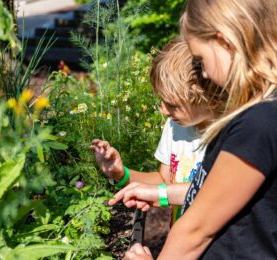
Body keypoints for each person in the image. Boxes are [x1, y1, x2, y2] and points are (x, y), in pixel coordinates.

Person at [109, 0, 277, 259]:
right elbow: (220, 192)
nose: (205, 75)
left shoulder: (261, 122)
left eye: (201, 59)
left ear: (225, 42)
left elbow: (196, 232)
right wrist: (160, 193)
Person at [90, 38, 225, 216]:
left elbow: (217, 195)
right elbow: (164, 182)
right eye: (162, 100)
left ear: (209, 98)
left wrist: (160, 195)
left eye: (173, 105)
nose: (163, 110)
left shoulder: (229, 135)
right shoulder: (176, 127)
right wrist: (121, 175)